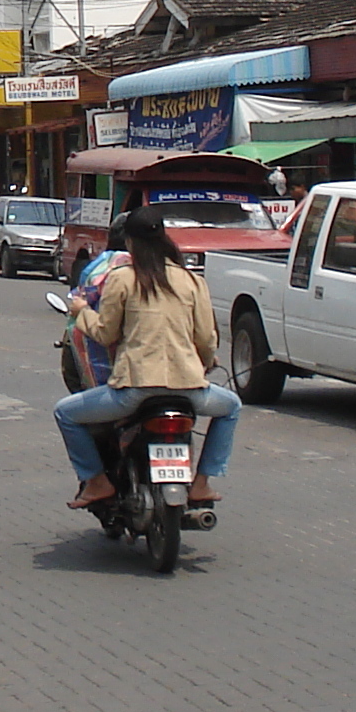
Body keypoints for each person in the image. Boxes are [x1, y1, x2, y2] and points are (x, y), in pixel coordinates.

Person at [57, 208, 238, 510]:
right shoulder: (192, 281)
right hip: (190, 392)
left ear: (129, 243)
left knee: (65, 413)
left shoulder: (122, 279)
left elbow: (105, 333)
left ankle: (96, 481)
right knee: (231, 406)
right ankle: (203, 482)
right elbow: (207, 340)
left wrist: (80, 312)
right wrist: (206, 363)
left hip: (134, 393)